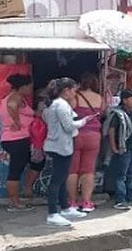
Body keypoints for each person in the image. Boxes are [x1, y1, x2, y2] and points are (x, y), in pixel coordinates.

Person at [43, 77, 92, 227]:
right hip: (60, 147)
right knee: (57, 181)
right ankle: (52, 213)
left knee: (62, 178)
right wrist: (85, 121)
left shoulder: (55, 104)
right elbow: (69, 126)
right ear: (66, 91)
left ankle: (65, 208)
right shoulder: (61, 105)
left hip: (58, 145)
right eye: (73, 90)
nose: (75, 93)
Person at [67, 73, 106, 213]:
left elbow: (68, 113)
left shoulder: (75, 97)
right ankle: (86, 202)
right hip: (94, 136)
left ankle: (72, 202)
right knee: (88, 170)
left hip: (76, 135)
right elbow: (103, 113)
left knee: (72, 170)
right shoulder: (100, 98)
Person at [0, 74, 36, 212]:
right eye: (29, 87)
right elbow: (12, 105)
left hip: (13, 139)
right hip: (17, 139)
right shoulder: (16, 97)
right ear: (23, 87)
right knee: (15, 171)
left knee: (22, 166)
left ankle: (18, 198)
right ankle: (15, 203)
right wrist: (16, 121)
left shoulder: (11, 96)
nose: (31, 89)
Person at [106, 89, 132, 210]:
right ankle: (120, 200)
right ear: (125, 100)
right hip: (123, 147)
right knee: (121, 175)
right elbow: (111, 130)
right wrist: (114, 147)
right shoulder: (118, 114)